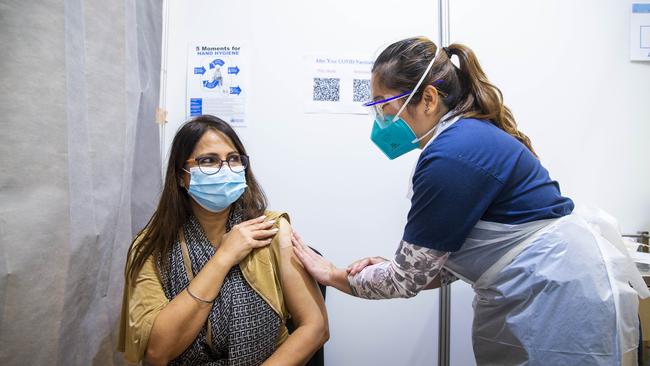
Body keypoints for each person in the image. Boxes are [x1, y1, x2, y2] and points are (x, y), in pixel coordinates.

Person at [290, 37, 648, 365]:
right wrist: (405, 266)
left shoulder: (450, 156)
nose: (381, 121)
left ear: (428, 99)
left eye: (384, 106)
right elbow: (446, 260)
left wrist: (333, 274)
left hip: (559, 299)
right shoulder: (465, 137)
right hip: (553, 287)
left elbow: (406, 281)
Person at [117, 115, 328, 365]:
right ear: (180, 175)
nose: (225, 169)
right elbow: (158, 351)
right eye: (208, 161)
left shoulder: (271, 230)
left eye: (233, 159)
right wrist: (223, 258)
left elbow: (315, 328)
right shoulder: (152, 247)